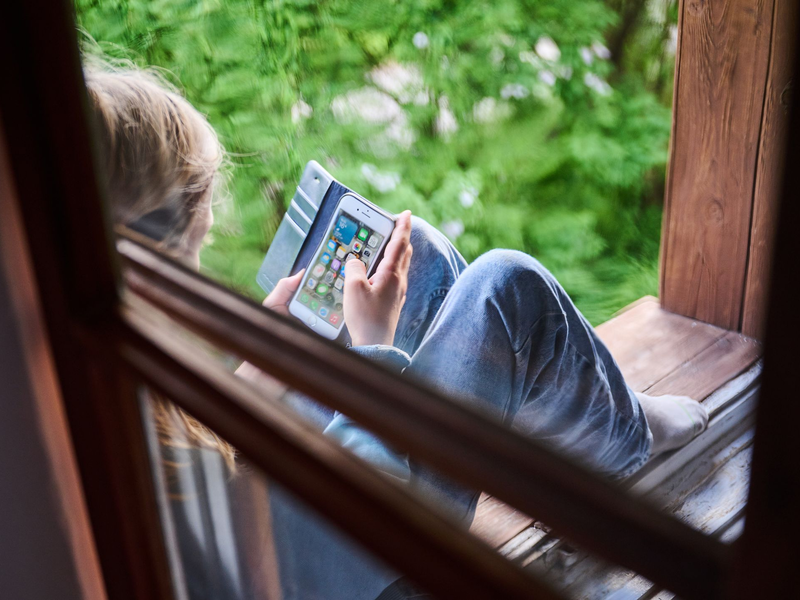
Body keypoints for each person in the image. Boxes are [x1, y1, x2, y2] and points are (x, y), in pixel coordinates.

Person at [85, 65, 708, 600]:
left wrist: (264, 361)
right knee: (506, 288)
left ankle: (559, 437)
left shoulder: (94, 370)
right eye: (197, 239)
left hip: (301, 531)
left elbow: (221, 463)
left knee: (424, 260)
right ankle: (626, 441)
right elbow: (366, 512)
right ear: (150, 253)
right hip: (376, 566)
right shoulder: (144, 442)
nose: (209, 240)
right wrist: (372, 351)